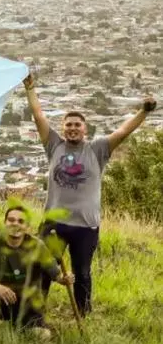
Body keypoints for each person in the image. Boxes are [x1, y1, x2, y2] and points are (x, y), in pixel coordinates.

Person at [25, 73, 155, 314]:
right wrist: (30, 88)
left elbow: (123, 132)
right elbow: (38, 116)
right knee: (44, 267)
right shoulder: (54, 145)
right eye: (68, 124)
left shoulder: (97, 149)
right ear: (63, 127)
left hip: (85, 226)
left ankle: (84, 314)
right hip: (54, 222)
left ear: (84, 129)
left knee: (82, 272)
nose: (72, 128)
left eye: (77, 125)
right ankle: (36, 313)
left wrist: (143, 112)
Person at [0, 206, 75, 337]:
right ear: (4, 223)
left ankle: (19, 328)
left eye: (21, 221)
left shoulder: (37, 246)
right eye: (11, 220)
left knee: (43, 336)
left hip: (27, 308)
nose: (15, 224)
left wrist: (66, 278)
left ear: (27, 227)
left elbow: (57, 275)